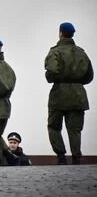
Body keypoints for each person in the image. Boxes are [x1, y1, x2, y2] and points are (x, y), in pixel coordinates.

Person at [45, 22, 93, 165]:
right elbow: (89, 76)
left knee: (54, 126)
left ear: (60, 33)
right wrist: (76, 82)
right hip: (78, 95)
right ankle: (76, 157)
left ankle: (61, 156)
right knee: (75, 129)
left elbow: (51, 73)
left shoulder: (55, 51)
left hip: (59, 94)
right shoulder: (81, 52)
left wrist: (52, 78)